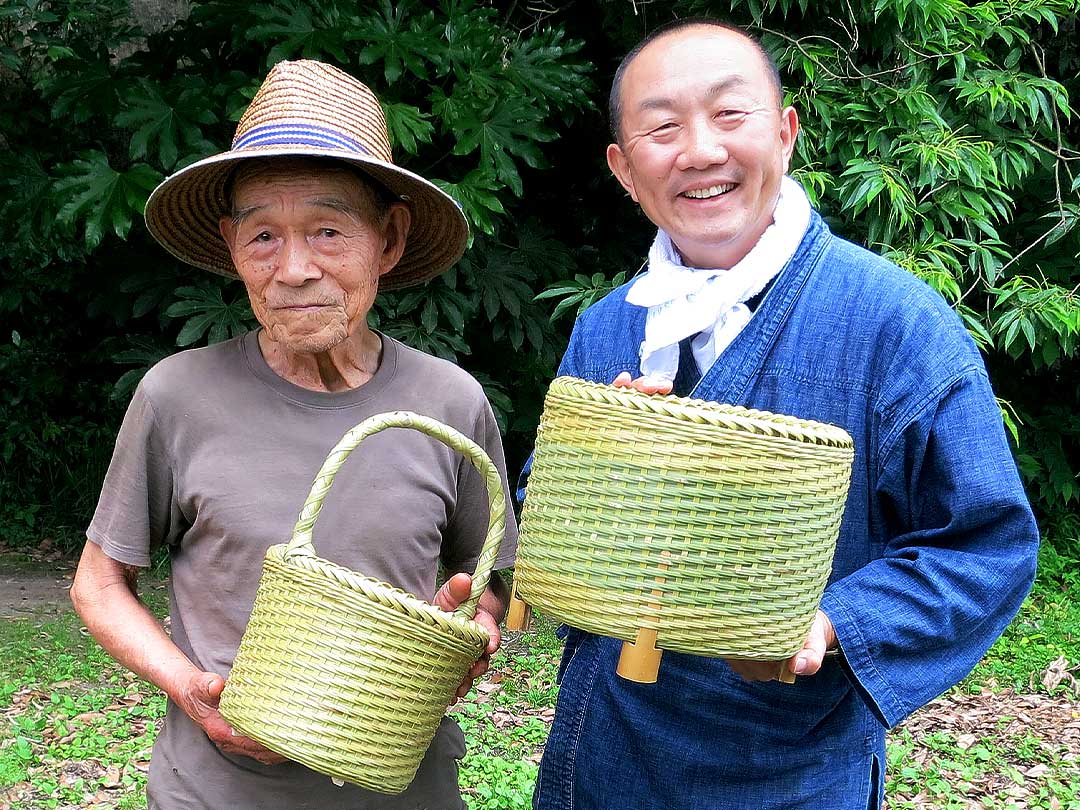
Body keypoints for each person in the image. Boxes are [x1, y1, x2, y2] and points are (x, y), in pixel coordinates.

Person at [523, 19, 1039, 810]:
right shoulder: (609, 327)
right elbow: (545, 510)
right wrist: (604, 471)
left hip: (786, 771)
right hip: (604, 753)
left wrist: (829, 624)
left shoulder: (894, 323)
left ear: (787, 132)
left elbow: (985, 546)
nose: (699, 151)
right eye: (662, 128)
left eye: (731, 115)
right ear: (624, 170)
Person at [70, 59, 518, 810]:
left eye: (329, 230)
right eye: (264, 236)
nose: (295, 269)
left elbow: (496, 578)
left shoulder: (450, 401)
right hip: (214, 794)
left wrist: (477, 625)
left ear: (391, 239)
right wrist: (189, 688)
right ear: (231, 246)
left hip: (405, 788)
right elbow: (98, 583)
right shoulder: (176, 395)